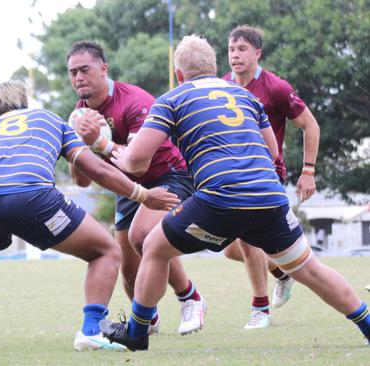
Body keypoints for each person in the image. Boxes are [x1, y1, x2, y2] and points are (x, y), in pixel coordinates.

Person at [100, 35, 369, 351]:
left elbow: (135, 160)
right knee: (310, 269)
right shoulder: (247, 97)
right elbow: (272, 152)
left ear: (180, 74)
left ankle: (137, 332)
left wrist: (108, 147)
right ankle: (367, 325)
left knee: (154, 246)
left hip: (218, 199)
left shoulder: (172, 99)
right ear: (215, 68)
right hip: (269, 199)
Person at [0, 80, 180, 352]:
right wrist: (143, 195)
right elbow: (97, 171)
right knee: (107, 252)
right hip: (32, 196)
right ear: (25, 101)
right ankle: (90, 331)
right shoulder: (48, 119)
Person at [66, 41, 205, 335]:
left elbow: (139, 164)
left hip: (171, 174)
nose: (78, 77)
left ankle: (190, 297)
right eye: (72, 72)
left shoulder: (134, 101)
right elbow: (81, 181)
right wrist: (77, 146)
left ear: (103, 69)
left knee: (142, 236)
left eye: (84, 70)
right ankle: (148, 320)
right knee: (129, 271)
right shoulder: (79, 115)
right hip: (130, 187)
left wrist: (99, 142)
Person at [221, 25, 321, 329]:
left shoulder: (275, 87)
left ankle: (260, 310)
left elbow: (311, 125)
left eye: (242, 49)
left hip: (265, 177)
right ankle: (281, 272)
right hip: (232, 178)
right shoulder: (221, 85)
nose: (235, 55)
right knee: (229, 249)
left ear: (257, 53)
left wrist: (308, 172)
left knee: (249, 242)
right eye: (231, 49)